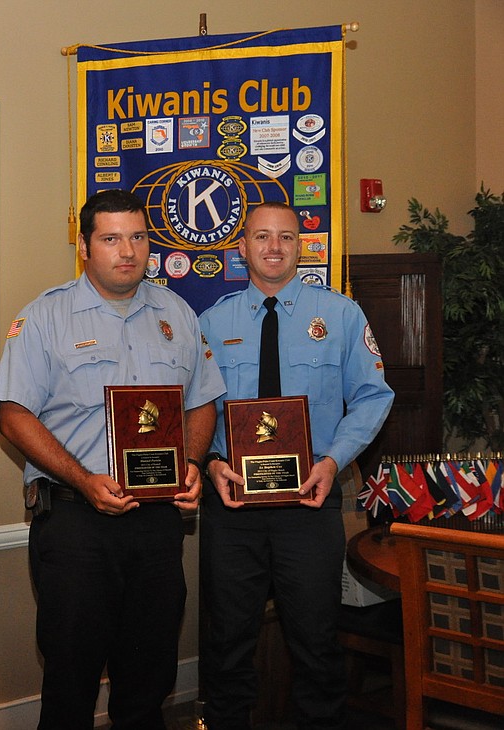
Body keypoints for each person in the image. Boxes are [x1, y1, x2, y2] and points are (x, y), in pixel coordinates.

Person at [0, 189, 225, 730]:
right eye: (111, 238)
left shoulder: (177, 312)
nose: (128, 250)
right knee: (70, 679)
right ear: (83, 246)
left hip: (158, 524)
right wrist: (83, 477)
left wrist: (190, 465)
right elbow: (14, 414)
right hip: (77, 522)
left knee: (149, 680)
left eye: (138, 237)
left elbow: (204, 400)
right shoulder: (46, 316)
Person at [198, 201, 395, 730]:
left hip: (309, 502)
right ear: (241, 248)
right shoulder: (211, 323)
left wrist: (334, 461)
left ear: (300, 245)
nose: (274, 248)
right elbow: (194, 411)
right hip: (233, 507)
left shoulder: (340, 315)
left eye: (286, 237)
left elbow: (374, 396)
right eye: (261, 237)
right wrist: (213, 462)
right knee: (227, 643)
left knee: (315, 642)